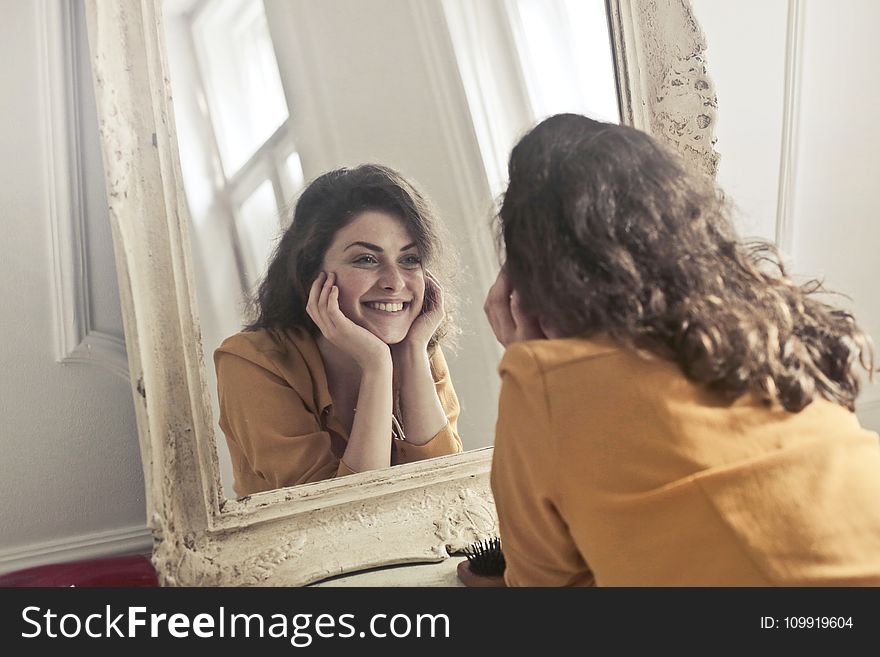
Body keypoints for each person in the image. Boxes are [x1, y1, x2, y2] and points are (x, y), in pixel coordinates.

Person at [480, 113, 880, 586]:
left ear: (528, 284)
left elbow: (545, 593)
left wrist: (526, 356)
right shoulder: (771, 320)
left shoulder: (545, 383)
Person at [215, 164, 463, 497]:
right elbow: (338, 516)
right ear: (311, 274)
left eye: (409, 259)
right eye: (366, 259)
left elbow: (447, 493)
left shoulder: (417, 347)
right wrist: (376, 366)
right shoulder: (251, 362)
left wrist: (412, 355)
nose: (395, 282)